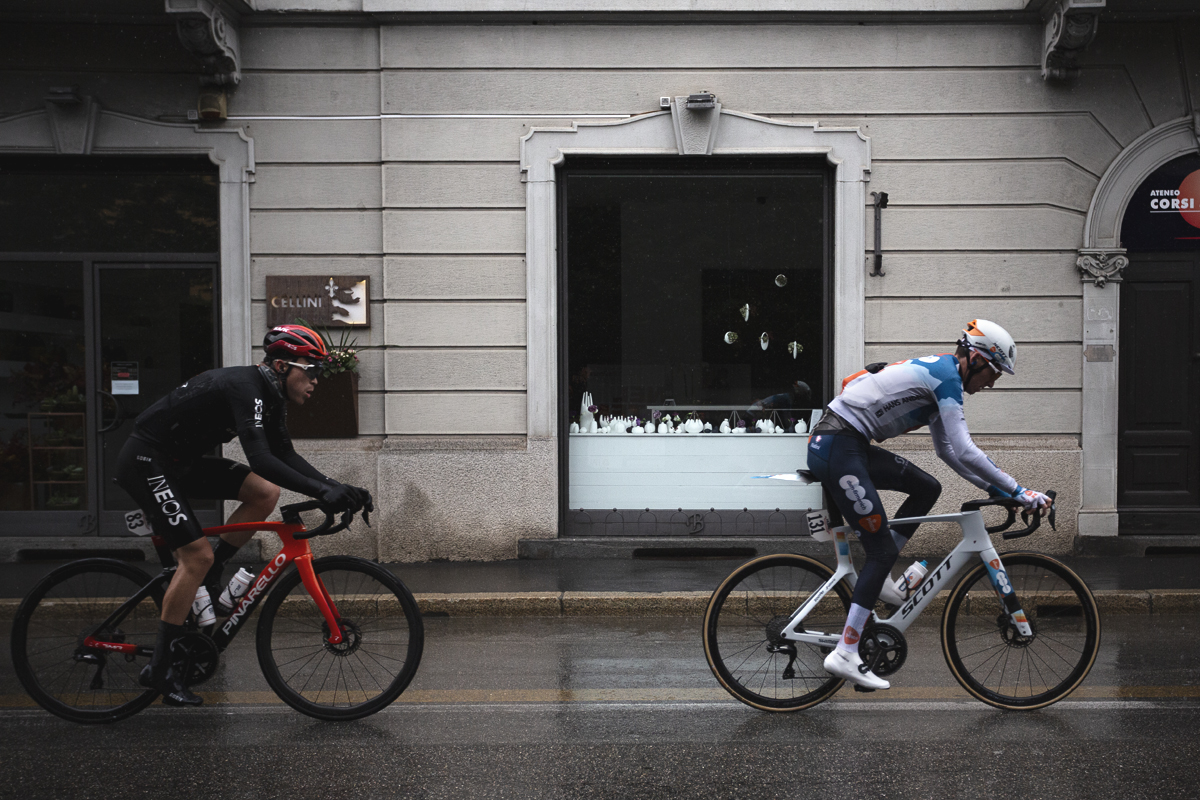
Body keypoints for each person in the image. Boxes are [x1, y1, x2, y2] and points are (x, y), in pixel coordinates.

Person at [114, 324, 373, 706]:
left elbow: (284, 454)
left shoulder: (271, 396)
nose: (316, 380)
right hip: (146, 462)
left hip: (179, 464)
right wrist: (322, 491)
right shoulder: (245, 388)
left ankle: (211, 573)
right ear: (283, 366)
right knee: (195, 556)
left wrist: (335, 486)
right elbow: (262, 458)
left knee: (263, 493)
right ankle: (160, 667)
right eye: (311, 370)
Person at [805, 319, 1051, 690]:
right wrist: (1019, 490)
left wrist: (997, 490)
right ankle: (845, 652)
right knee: (880, 553)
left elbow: (949, 453)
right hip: (838, 445)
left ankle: (885, 588)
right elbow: (966, 449)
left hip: (847, 442)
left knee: (926, 487)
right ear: (977, 359)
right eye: (994, 373)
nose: (993, 383)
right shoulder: (947, 377)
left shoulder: (941, 376)